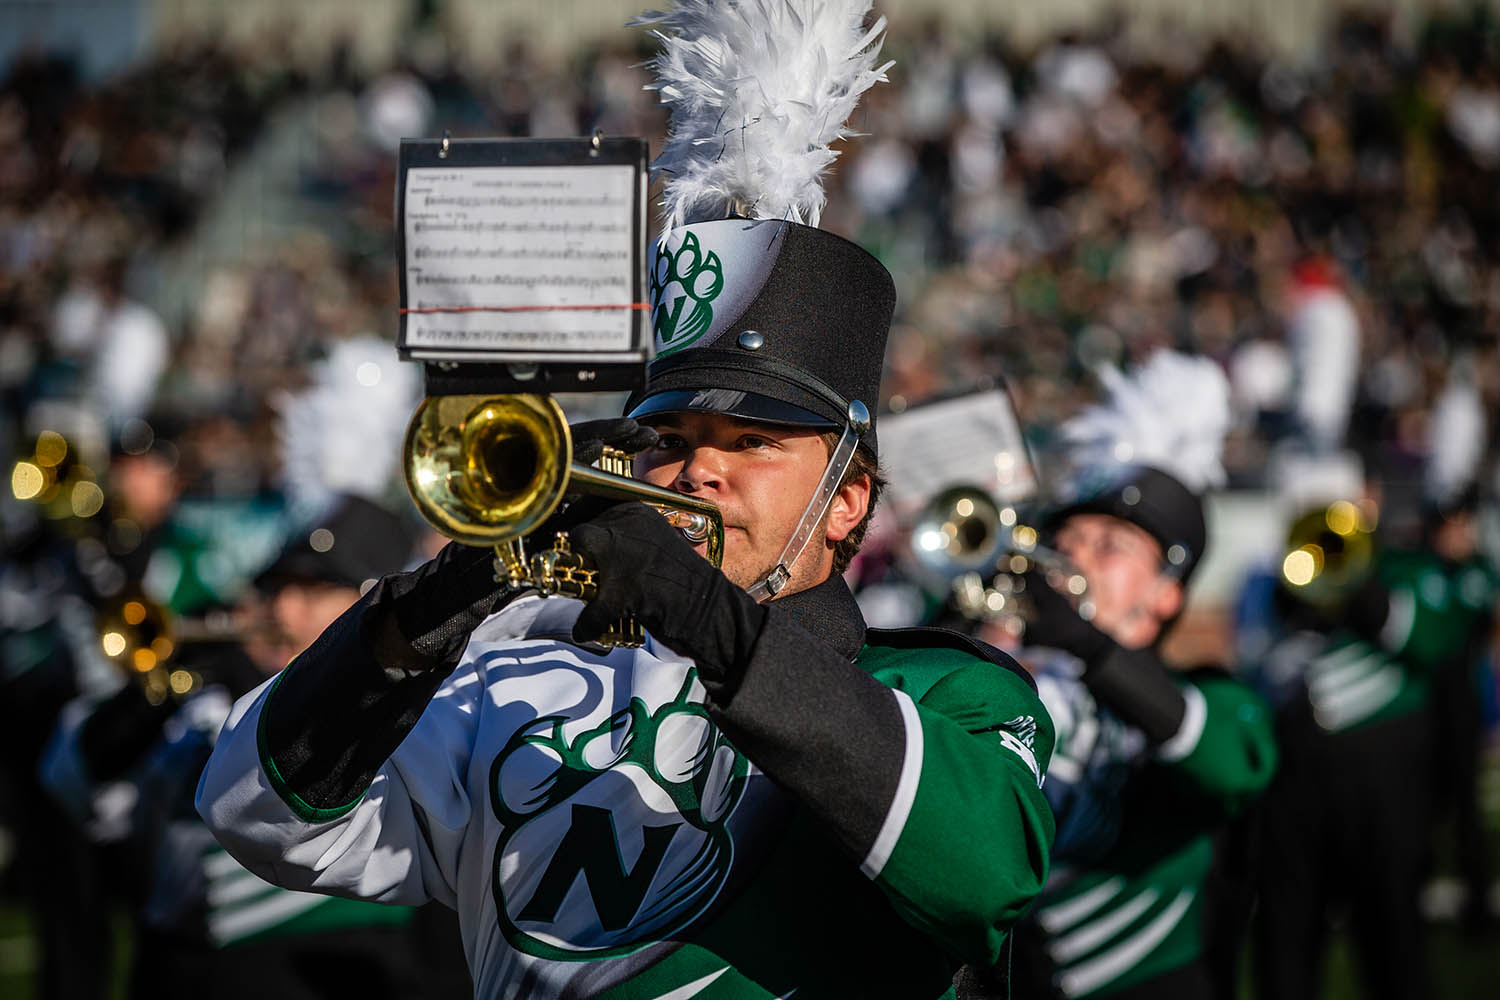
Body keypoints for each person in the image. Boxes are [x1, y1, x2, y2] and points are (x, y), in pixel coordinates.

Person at [196, 4, 1057, 995]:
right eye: (669, 442)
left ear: (851, 498)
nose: (700, 471)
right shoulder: (523, 691)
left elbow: (985, 873)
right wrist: (445, 598)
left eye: (754, 443)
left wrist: (703, 615)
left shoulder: (951, 696)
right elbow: (250, 809)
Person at [43, 494, 468, 1000]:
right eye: (278, 586)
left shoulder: (420, 708)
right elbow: (69, 777)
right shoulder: (199, 694)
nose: (283, 609)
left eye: (315, 590)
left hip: (332, 967)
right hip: (178, 966)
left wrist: (274, 697)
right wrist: (149, 698)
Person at [960, 351, 1278, 1000]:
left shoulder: (1204, 692)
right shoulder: (995, 669)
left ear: (1165, 595)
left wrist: (1086, 644)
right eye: (1070, 540)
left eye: (1112, 547)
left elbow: (1231, 763)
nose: (1075, 557)